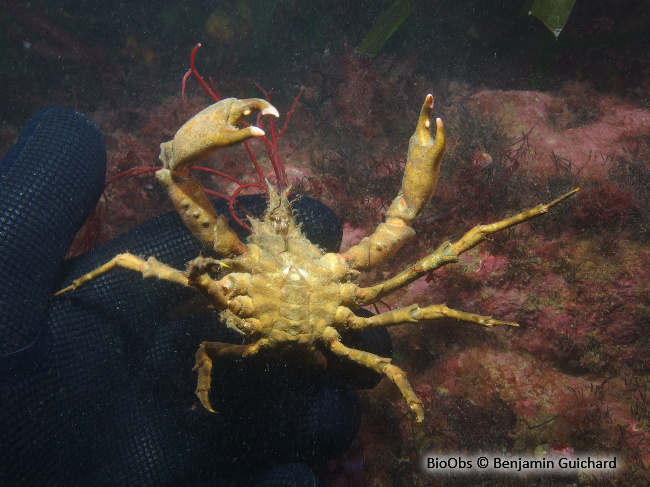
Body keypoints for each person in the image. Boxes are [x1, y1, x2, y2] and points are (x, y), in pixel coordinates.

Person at [0, 107, 390, 486]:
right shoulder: (241, 264)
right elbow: (173, 171)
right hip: (261, 360)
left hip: (297, 356)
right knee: (142, 266)